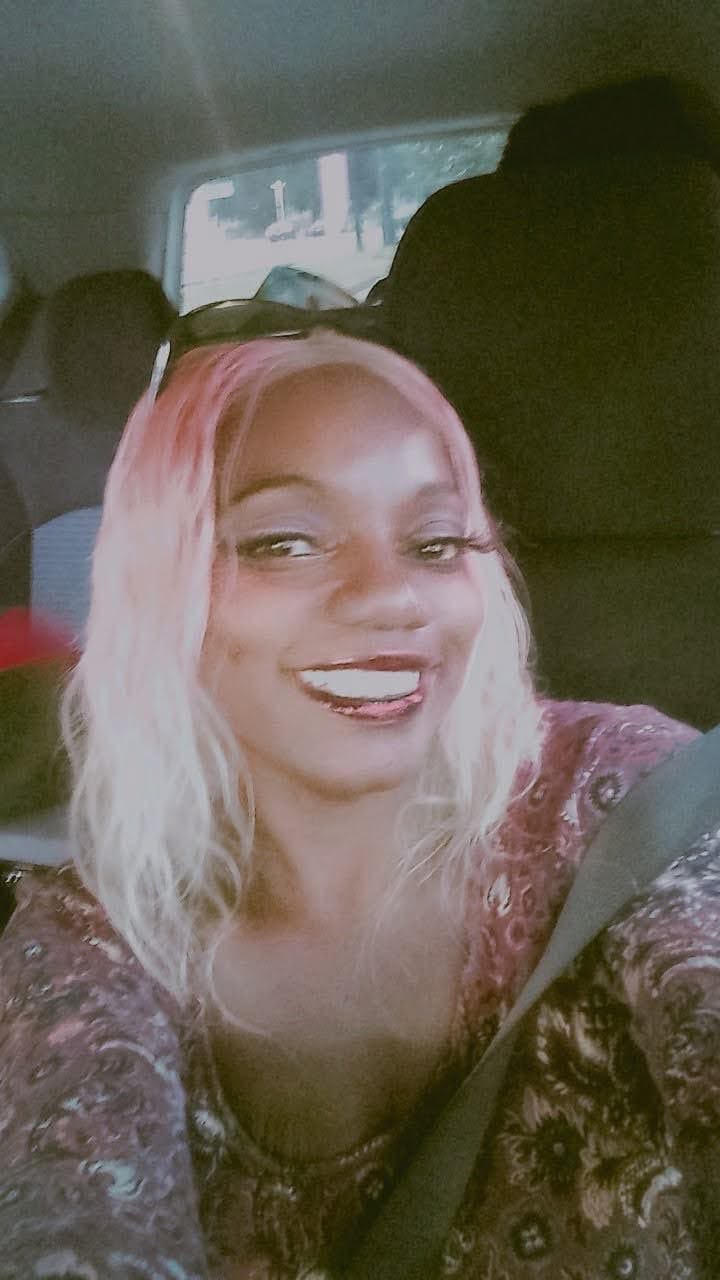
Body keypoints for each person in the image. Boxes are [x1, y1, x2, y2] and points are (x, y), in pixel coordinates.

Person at [0, 325, 717, 1280]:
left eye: (434, 542)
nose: (391, 598)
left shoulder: (627, 799)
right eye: (284, 542)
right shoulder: (90, 939)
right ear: (160, 591)